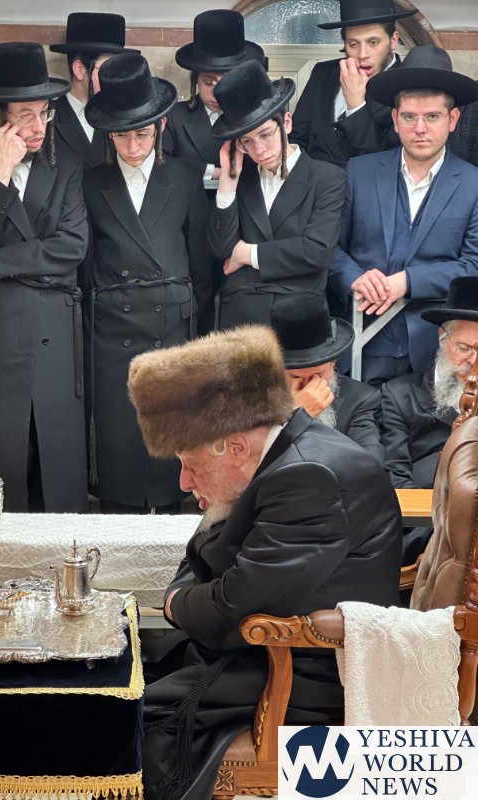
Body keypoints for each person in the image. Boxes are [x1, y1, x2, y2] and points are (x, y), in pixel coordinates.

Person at [128, 325, 402, 800]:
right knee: (118, 675)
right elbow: (205, 557)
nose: (185, 482)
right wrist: (186, 597)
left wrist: (174, 604)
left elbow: (234, 610)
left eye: (191, 464)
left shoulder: (308, 477)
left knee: (125, 721)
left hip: (298, 674)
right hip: (258, 654)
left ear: (235, 447)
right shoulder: (277, 456)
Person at [0, 42, 89, 513]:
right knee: (3, 448)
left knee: (56, 449)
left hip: (54, 319)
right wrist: (2, 169)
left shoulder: (66, 164)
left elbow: (73, 246)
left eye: (44, 113)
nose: (38, 127)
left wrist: (2, 260)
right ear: (0, 118)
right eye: (25, 115)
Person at [82, 53, 213, 513]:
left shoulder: (186, 175)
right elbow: (86, 266)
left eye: (142, 134)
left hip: (172, 332)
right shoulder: (91, 183)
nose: (133, 145)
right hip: (112, 336)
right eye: (122, 136)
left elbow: (201, 264)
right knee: (120, 449)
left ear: (160, 127)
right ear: (109, 134)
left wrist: (188, 323)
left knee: (171, 454)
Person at [329, 45, 478, 386]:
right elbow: (330, 249)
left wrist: (407, 281)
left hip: (435, 350)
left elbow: (473, 265)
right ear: (395, 120)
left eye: (432, 117)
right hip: (362, 344)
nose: (420, 128)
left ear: (453, 120)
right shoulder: (359, 172)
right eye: (410, 117)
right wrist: (354, 277)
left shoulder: (474, 184)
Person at [207, 60, 345, 331]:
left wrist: (248, 253)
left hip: (298, 320)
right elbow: (221, 249)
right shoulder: (243, 178)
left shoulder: (326, 177)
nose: (259, 149)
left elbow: (316, 252)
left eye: (266, 135)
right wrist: (228, 182)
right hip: (240, 320)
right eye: (247, 141)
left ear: (287, 123)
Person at [380, 278, 478, 563]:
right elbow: (396, 473)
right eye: (464, 348)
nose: (474, 361)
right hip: (421, 529)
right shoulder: (399, 394)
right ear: (442, 337)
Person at [290, 0, 418, 168]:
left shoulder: (407, 85)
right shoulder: (324, 73)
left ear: (393, 40)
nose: (362, 54)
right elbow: (297, 139)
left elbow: (388, 162)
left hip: (367, 183)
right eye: (353, 44)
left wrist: (356, 105)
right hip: (314, 182)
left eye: (373, 42)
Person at [270, 292, 384, 464]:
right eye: (295, 376)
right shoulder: (250, 399)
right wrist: (293, 417)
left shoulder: (360, 399)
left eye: (318, 375)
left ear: (333, 362)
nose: (309, 386)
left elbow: (370, 465)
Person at [163, 9, 265, 185]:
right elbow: (161, 162)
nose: (216, 93)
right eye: (209, 83)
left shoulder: (255, 116)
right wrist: (213, 172)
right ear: (196, 80)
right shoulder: (174, 117)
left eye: (226, 83)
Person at [50, 13, 140, 169]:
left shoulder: (123, 117)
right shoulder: (46, 118)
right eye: (108, 69)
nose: (116, 79)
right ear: (80, 69)